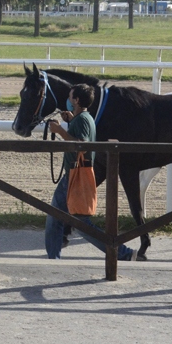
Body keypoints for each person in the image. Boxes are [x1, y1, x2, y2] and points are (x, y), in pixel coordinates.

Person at [46, 84, 137, 261]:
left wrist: (59, 130)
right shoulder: (83, 118)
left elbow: (81, 144)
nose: (68, 100)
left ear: (76, 100)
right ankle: (122, 253)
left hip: (74, 177)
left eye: (71, 97)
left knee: (61, 219)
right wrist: (71, 120)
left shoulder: (82, 120)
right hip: (76, 175)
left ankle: (122, 253)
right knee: (70, 221)